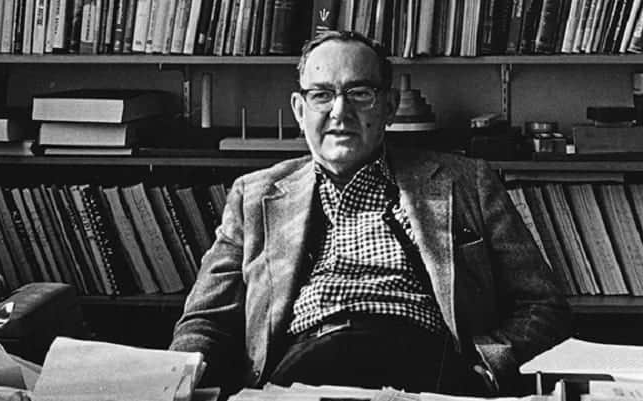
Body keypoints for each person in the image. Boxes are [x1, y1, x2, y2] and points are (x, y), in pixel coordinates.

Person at [169, 30, 571, 396]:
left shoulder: (467, 182)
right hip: (300, 376)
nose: (340, 112)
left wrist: (485, 372)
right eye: (322, 95)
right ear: (299, 109)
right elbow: (206, 320)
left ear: (389, 106)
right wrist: (177, 383)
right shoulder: (254, 196)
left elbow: (542, 306)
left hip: (428, 374)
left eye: (359, 93)